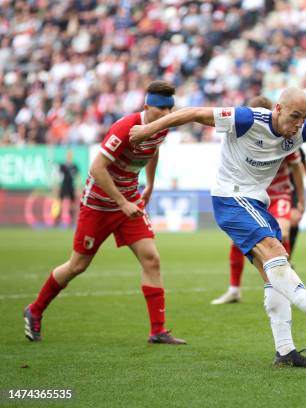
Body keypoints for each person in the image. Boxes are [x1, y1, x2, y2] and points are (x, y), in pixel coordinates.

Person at [129, 87, 306, 367]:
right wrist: (147, 130)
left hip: (255, 203)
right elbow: (192, 113)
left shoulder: (301, 131)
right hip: (231, 197)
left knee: (273, 271)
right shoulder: (247, 119)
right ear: (278, 109)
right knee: (276, 250)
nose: (299, 124)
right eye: (294, 116)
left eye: (304, 117)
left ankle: (285, 352)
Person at [24, 81, 186, 345]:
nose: (167, 114)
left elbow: (153, 150)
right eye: (161, 109)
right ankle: (34, 309)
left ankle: (158, 330)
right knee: (78, 265)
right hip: (99, 205)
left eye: (170, 108)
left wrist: (151, 184)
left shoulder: (162, 126)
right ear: (146, 107)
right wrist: (122, 202)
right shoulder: (124, 128)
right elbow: (96, 168)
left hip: (130, 201)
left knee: (151, 258)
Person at [211, 95, 306, 305]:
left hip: (279, 192)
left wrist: (301, 201)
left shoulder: (286, 136)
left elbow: (297, 168)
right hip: (252, 193)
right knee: (239, 240)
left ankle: (286, 283)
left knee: (282, 233)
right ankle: (234, 289)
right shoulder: (245, 132)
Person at [52, 150, 81, 227]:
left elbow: (77, 177)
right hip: (64, 186)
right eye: (68, 155)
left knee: (72, 204)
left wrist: (78, 188)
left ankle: (72, 221)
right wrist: (56, 186)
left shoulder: (74, 166)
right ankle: (57, 221)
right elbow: (58, 176)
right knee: (60, 203)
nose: (69, 156)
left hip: (71, 186)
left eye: (70, 155)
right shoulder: (62, 166)